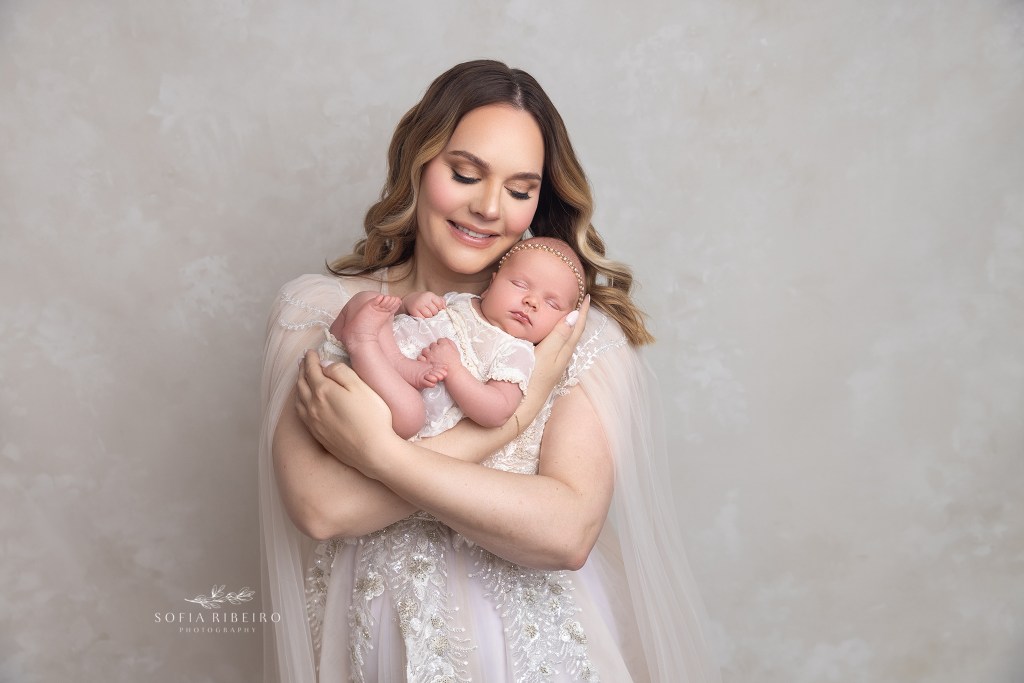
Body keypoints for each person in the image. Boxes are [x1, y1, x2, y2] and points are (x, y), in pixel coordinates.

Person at [259, 59, 720, 682]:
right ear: (417, 165)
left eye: (520, 188)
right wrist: (513, 419)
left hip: (531, 659)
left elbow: (566, 532)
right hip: (374, 654)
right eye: (466, 173)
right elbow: (321, 508)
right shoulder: (323, 309)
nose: (487, 208)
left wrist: (381, 454)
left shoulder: (569, 334)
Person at [318, 237, 587, 440]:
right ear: (492, 283)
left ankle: (363, 344)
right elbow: (407, 320)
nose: (531, 301)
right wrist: (410, 303)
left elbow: (498, 410)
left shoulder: (517, 352)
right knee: (366, 301)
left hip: (391, 404)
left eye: (552, 303)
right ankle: (386, 357)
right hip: (374, 361)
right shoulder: (461, 300)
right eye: (520, 285)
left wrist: (455, 371)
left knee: (411, 414)